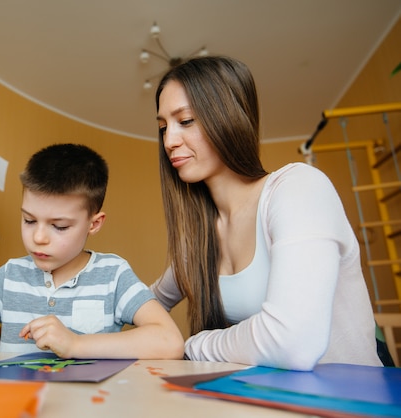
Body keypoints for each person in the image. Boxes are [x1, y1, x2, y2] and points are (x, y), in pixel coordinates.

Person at [150, 55, 383, 371]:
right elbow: (141, 303)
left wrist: (192, 345)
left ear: (228, 118)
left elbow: (293, 343)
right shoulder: (199, 237)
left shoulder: (299, 187)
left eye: (186, 121)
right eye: (163, 127)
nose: (169, 141)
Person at [0, 143, 184, 362]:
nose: (38, 238)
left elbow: (169, 342)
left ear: (94, 223)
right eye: (29, 220)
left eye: (59, 226)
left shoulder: (113, 275)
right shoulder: (10, 275)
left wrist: (76, 343)